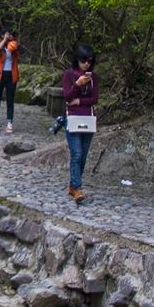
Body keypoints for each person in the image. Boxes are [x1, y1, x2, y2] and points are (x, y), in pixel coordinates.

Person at [60, 44, 98, 203]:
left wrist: (80, 101)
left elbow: (94, 99)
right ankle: (78, 188)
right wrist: (78, 84)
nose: (86, 64)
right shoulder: (69, 75)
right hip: (73, 119)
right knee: (76, 154)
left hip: (88, 118)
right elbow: (67, 97)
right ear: (77, 60)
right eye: (83, 61)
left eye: (89, 61)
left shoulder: (93, 77)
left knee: (83, 156)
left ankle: (72, 185)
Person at [0, 29, 20, 132]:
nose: (7, 36)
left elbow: (15, 49)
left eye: (9, 34)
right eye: (5, 34)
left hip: (11, 75)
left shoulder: (14, 44)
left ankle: (10, 122)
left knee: (10, 100)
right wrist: (4, 41)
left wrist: (10, 40)